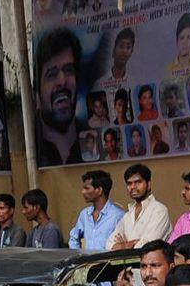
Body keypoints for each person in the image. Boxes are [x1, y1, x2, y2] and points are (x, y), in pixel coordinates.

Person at [35, 28, 82, 166]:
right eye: (52, 74)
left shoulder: (93, 135)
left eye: (68, 71)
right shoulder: (32, 147)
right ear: (37, 91)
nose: (62, 81)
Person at [107, 164, 171, 250]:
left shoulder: (159, 210)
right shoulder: (128, 215)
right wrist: (125, 246)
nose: (133, 187)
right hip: (128, 263)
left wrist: (123, 246)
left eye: (138, 182)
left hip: (152, 262)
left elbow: (149, 245)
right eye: (129, 183)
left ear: (149, 184)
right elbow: (109, 244)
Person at [68, 170, 125, 251]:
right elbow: (73, 239)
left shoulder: (118, 215)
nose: (83, 192)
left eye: (87, 188)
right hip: (87, 263)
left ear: (99, 190)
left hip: (107, 263)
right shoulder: (84, 214)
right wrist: (78, 257)